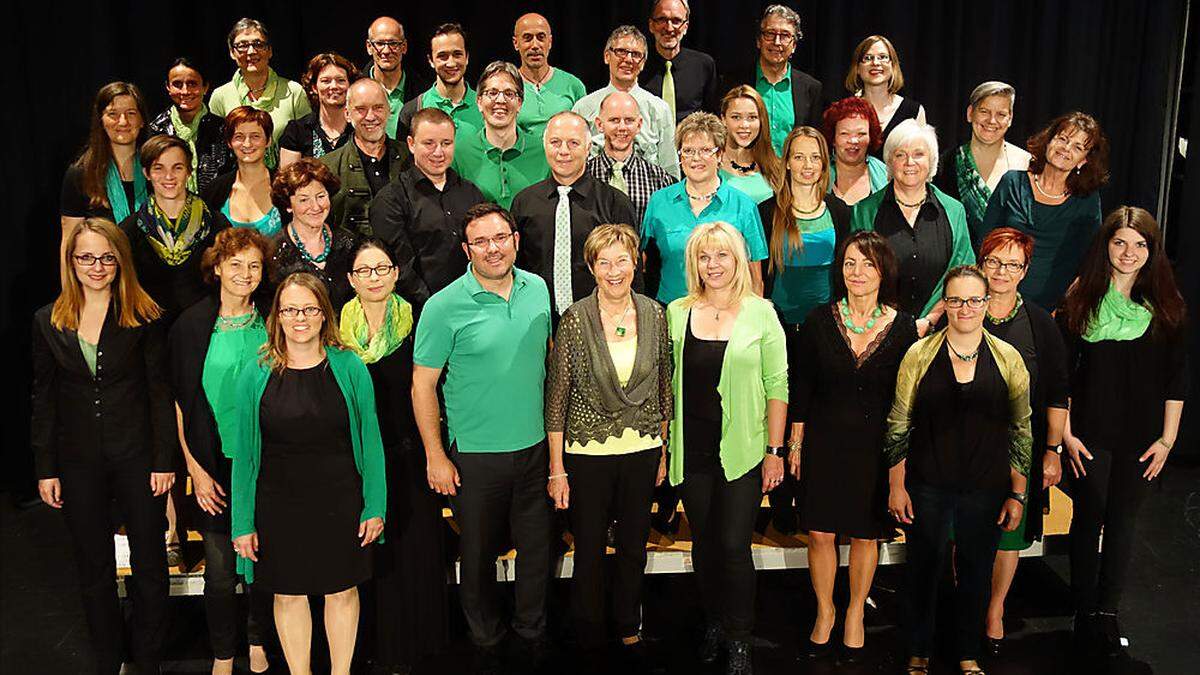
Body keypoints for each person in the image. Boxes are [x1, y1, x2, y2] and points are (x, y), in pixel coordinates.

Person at [412, 203, 553, 673]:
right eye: (481, 241)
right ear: (466, 248)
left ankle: (531, 633)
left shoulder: (538, 289)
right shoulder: (442, 306)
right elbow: (423, 385)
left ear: (515, 239)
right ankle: (485, 641)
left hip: (534, 450)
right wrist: (435, 455)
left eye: (500, 238)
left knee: (538, 553)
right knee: (476, 559)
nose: (493, 249)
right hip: (475, 457)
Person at [32, 219, 174, 675]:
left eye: (106, 257)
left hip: (138, 458)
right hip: (78, 464)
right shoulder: (49, 319)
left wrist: (163, 460)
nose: (96, 266)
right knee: (94, 571)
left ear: (120, 261)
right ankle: (110, 661)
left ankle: (147, 661)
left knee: (150, 568)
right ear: (71, 263)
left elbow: (159, 393)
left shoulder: (144, 314)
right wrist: (45, 467)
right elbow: (44, 400)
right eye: (86, 257)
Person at [230, 272, 386, 675]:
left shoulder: (349, 365)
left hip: (340, 499)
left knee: (341, 590)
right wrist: (242, 522)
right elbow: (245, 456)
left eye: (309, 309)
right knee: (288, 593)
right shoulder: (255, 372)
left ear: (323, 314)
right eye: (290, 310)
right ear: (277, 316)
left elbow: (371, 442)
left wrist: (375, 505)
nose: (300, 318)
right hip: (278, 503)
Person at [884, 265, 1031, 675]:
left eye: (973, 300)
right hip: (927, 484)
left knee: (975, 572)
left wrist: (1017, 492)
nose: (964, 308)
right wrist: (897, 485)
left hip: (985, 487)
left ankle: (967, 651)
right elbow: (898, 422)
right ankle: (918, 649)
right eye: (955, 300)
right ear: (944, 304)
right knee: (923, 570)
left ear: (986, 304)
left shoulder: (1008, 359)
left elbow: (1022, 429)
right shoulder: (918, 355)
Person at [1057, 207, 1187, 657]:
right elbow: (1063, 379)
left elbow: (1177, 380)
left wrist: (1168, 440)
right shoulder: (1079, 299)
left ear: (1151, 252)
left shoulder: (1167, 307)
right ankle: (1083, 610)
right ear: (1105, 246)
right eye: (1120, 242)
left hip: (1142, 437)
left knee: (1122, 524)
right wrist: (1066, 435)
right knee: (1088, 517)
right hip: (1088, 433)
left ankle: (1108, 612)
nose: (1129, 253)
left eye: (1139, 245)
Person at [544, 224, 672, 664]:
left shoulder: (656, 313)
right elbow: (557, 396)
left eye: (622, 260)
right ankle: (589, 631)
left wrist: (664, 447)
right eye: (604, 262)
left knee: (634, 546)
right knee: (592, 550)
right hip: (587, 454)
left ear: (636, 263)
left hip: (642, 449)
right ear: (591, 267)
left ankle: (628, 626)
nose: (614, 270)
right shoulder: (575, 319)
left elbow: (664, 386)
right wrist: (556, 468)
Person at [665, 221, 787, 675]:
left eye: (722, 256)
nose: (713, 265)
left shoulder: (761, 313)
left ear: (738, 260)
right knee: (704, 546)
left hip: (744, 450)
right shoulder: (676, 312)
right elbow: (666, 385)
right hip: (691, 447)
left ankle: (740, 637)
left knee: (734, 546)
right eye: (704, 256)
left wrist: (775, 450)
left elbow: (778, 384)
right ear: (693, 262)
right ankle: (713, 621)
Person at [788, 231, 917, 657]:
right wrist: (795, 442)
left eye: (867, 264)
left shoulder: (903, 328)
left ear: (884, 271)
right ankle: (825, 610)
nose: (857, 272)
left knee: (866, 535)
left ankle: (856, 611)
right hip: (824, 442)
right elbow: (801, 386)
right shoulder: (818, 320)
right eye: (849, 263)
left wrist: (901, 458)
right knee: (821, 533)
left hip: (874, 449)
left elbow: (906, 401)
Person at [168, 227, 275, 675]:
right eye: (235, 264)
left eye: (253, 265)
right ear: (216, 268)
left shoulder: (274, 317)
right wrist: (194, 467)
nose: (245, 274)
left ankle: (258, 641)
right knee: (219, 571)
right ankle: (223, 652)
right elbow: (179, 401)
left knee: (263, 565)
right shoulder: (192, 325)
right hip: (213, 463)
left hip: (267, 462)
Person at [339, 239, 448, 673]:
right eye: (364, 271)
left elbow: (432, 390)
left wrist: (434, 452)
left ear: (396, 273)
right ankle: (372, 649)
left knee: (415, 553)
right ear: (350, 280)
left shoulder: (418, 322)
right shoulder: (334, 332)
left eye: (382, 268)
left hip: (410, 455)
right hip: (358, 462)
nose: (374, 278)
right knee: (370, 555)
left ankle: (420, 650)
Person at [974, 228, 1069, 655]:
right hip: (966, 448)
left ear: (1025, 271)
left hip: (1020, 449)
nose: (1001, 272)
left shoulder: (1040, 324)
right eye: (994, 262)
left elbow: (1055, 392)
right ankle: (968, 603)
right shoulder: (961, 312)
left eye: (1012, 264)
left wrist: (1053, 450)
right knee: (966, 532)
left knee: (1008, 536)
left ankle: (994, 610)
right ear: (980, 264)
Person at [976, 112, 1108, 310]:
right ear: (1048, 141)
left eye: (1078, 147)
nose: (1066, 148)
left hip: (1051, 308)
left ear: (1084, 160)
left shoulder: (1087, 201)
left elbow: (1089, 259)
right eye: (1062, 139)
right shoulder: (1012, 183)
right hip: (997, 298)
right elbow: (984, 242)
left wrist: (1063, 306)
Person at [850, 119, 974, 329]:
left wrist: (929, 321)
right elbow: (855, 275)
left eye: (918, 154)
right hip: (877, 330)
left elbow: (964, 273)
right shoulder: (865, 211)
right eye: (900, 155)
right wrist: (891, 324)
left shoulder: (954, 211)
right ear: (889, 161)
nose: (909, 162)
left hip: (941, 329)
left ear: (932, 160)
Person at [512, 111, 638, 318]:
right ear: (545, 146)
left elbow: (632, 270)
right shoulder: (524, 203)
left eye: (573, 143)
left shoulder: (615, 203)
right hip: (537, 317)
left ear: (588, 148)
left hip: (601, 319)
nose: (563, 151)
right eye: (555, 142)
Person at [642, 112, 768, 305]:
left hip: (728, 316)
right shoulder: (659, 202)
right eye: (688, 151)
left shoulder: (743, 205)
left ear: (719, 155)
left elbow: (755, 279)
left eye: (705, 150)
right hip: (670, 313)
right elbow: (645, 265)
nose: (695, 158)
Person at [370, 107, 487, 308]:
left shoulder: (472, 193)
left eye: (446, 143)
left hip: (474, 304)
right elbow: (400, 267)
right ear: (411, 144)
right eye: (429, 143)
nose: (438, 152)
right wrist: (434, 306)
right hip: (420, 310)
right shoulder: (390, 200)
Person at [120, 134, 225, 322]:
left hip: (203, 329)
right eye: (158, 169)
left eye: (177, 168)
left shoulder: (216, 224)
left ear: (189, 171)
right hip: (148, 331)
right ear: (146, 173)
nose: (168, 177)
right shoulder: (129, 230)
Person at [573, 26, 680, 179]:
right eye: (621, 52)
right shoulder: (583, 108)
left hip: (645, 196)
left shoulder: (659, 108)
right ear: (607, 56)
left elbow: (670, 167)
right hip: (593, 198)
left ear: (643, 63)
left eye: (636, 54)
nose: (628, 59)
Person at [209, 18, 311, 168]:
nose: (251, 52)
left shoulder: (293, 91)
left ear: (269, 51)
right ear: (232, 52)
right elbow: (216, 152)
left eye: (258, 44)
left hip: (285, 183)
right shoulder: (220, 96)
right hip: (237, 183)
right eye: (242, 45)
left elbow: (307, 144)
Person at [933, 82, 1032, 235]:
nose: (992, 121)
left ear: (1010, 119)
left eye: (1001, 114)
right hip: (960, 257)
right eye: (984, 111)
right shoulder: (945, 164)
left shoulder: (1026, 164)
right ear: (970, 113)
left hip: (1009, 257)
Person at [451, 61, 550, 209]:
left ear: (520, 103)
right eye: (492, 93)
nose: (500, 100)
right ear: (479, 102)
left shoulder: (544, 152)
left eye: (509, 94)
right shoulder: (459, 154)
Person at [321, 79, 412, 236]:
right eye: (361, 109)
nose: (370, 117)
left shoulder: (411, 158)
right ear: (347, 114)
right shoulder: (326, 168)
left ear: (389, 110)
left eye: (378, 108)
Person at [61, 82, 150, 241]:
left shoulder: (156, 170)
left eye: (131, 113)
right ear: (101, 121)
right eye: (113, 114)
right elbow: (69, 244)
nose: (123, 122)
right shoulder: (81, 174)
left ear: (142, 120)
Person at [268, 158, 359, 308]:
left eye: (321, 196)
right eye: (304, 200)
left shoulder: (349, 243)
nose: (315, 206)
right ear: (288, 205)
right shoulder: (272, 251)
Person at [584, 91, 676, 226]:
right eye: (614, 120)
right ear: (599, 124)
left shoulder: (659, 180)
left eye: (629, 121)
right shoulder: (583, 175)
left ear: (639, 125)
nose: (622, 127)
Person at [148, 59, 234, 194]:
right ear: (168, 88)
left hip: (216, 210)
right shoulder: (155, 131)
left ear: (205, 87)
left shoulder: (223, 129)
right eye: (177, 84)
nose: (185, 91)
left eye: (192, 84)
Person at [749, 5, 822, 156]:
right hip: (745, 174)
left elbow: (814, 143)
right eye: (770, 33)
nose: (777, 42)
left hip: (792, 175)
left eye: (785, 36)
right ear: (758, 41)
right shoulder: (734, 83)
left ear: (794, 45)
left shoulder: (811, 88)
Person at [203, 106, 282, 236]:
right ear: (229, 142)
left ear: (268, 140)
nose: (247, 144)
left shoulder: (285, 187)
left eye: (255, 136)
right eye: (239, 137)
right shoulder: (214, 191)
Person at [397, 23, 484, 139]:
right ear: (431, 60)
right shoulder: (412, 110)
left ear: (467, 57)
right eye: (443, 56)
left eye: (457, 54)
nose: (451, 63)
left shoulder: (486, 107)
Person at [846, 35, 927, 157]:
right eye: (867, 58)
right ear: (857, 68)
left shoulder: (913, 111)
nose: (875, 63)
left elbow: (923, 159)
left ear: (893, 66)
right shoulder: (844, 111)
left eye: (883, 57)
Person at [512, 13, 587, 142]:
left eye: (541, 37)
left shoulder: (573, 85)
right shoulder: (508, 86)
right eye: (528, 38)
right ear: (516, 43)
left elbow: (584, 135)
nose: (535, 45)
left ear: (550, 42)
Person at [643, 0, 719, 122]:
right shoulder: (638, 64)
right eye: (662, 19)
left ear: (686, 27)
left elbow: (712, 117)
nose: (669, 28)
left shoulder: (703, 65)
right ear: (651, 25)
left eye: (676, 21)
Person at [278, 53, 357, 168]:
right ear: (314, 87)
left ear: (350, 86)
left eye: (340, 80)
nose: (334, 86)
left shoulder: (359, 128)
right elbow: (289, 181)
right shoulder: (297, 131)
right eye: (326, 81)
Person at [719, 85, 783, 204]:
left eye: (752, 117)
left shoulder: (775, 166)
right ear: (723, 119)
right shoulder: (711, 164)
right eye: (736, 117)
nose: (744, 125)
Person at [824, 97, 889, 205]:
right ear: (833, 138)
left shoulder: (886, 176)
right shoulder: (818, 175)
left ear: (870, 137)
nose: (853, 141)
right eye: (845, 133)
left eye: (861, 134)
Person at [365, 16, 417, 140]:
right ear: (369, 47)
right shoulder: (353, 90)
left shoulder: (422, 94)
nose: (386, 50)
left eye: (393, 43)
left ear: (404, 47)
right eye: (380, 43)